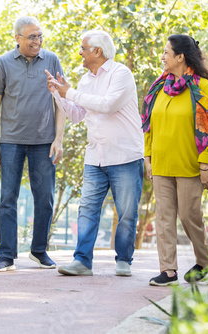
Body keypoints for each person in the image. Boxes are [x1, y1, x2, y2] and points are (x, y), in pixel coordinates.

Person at [47, 30, 144, 276]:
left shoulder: (121, 74)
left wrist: (69, 93)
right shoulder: (85, 80)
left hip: (125, 156)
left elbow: (107, 105)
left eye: (83, 48)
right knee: (87, 210)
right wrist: (58, 95)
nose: (80, 52)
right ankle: (82, 262)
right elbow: (78, 115)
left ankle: (124, 260)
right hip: (95, 157)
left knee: (126, 213)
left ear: (97, 51)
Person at [143, 35, 208, 286]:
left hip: (189, 163)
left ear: (180, 57)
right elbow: (149, 125)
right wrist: (148, 157)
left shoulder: (202, 87)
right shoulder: (159, 86)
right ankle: (168, 270)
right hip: (160, 162)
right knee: (164, 217)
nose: (163, 56)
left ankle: (205, 261)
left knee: (190, 215)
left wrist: (205, 165)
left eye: (167, 52)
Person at [0, 16, 65, 272]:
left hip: (44, 142)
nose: (37, 41)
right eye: (32, 36)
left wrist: (58, 138)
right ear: (18, 38)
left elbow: (61, 101)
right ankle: (6, 256)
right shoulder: (3, 63)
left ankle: (39, 250)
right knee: (7, 198)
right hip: (11, 142)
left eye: (40, 36)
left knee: (45, 198)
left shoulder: (52, 60)